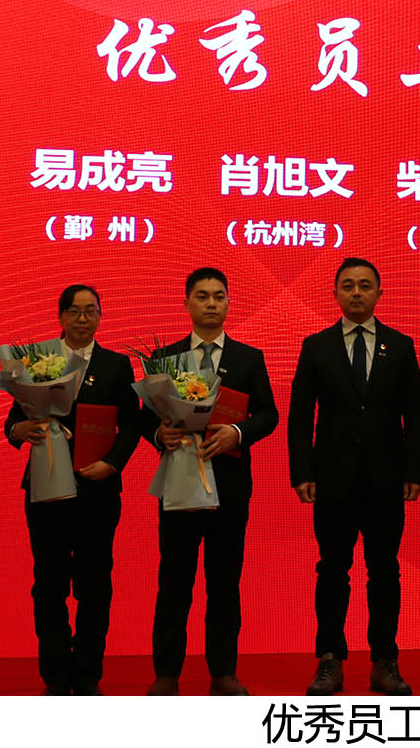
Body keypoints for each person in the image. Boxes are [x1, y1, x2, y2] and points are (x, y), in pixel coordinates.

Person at [288, 257, 420, 696]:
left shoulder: (400, 346)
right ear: (335, 293)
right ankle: (329, 660)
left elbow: (417, 414)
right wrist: (302, 471)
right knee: (332, 570)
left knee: (384, 570)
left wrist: (415, 470)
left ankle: (385, 661)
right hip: (332, 479)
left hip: (387, 478)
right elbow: (300, 416)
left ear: (379, 294)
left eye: (365, 285)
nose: (356, 293)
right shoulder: (317, 346)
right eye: (347, 285)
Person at [142, 268, 279, 696]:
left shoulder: (248, 358)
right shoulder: (165, 358)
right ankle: (167, 673)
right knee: (174, 581)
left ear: (228, 303)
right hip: (180, 481)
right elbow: (145, 415)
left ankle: (223, 672)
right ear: (187, 303)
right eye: (202, 296)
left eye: (219, 296)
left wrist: (237, 432)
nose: (211, 303)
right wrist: (158, 435)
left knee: (224, 582)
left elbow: (268, 414)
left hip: (230, 484)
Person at [4, 284, 141, 695]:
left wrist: (112, 463)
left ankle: (87, 675)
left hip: (97, 488)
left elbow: (131, 424)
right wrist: (18, 430)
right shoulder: (37, 361)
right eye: (75, 311)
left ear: (100, 316)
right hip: (46, 486)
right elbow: (13, 420)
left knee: (94, 584)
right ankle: (56, 676)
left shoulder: (116, 365)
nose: (83, 319)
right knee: (49, 584)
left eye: (91, 311)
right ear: (61, 316)